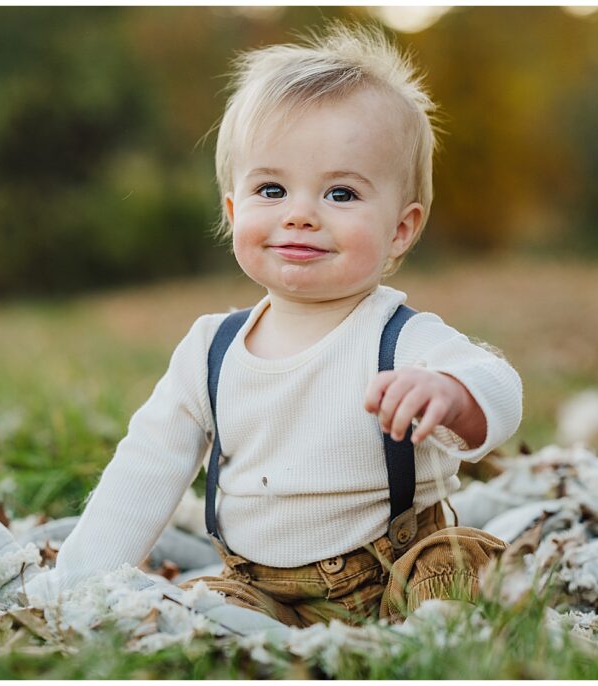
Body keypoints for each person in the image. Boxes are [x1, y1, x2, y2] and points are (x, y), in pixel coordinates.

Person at [30, 23, 522, 628]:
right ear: (234, 210)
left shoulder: (398, 337)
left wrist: (452, 394)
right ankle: (275, 648)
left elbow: (496, 382)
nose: (300, 215)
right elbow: (145, 468)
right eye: (271, 188)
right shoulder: (211, 350)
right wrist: (80, 585)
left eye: (341, 194)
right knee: (194, 616)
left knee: (463, 568)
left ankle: (426, 642)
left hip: (396, 570)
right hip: (260, 585)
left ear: (401, 228)